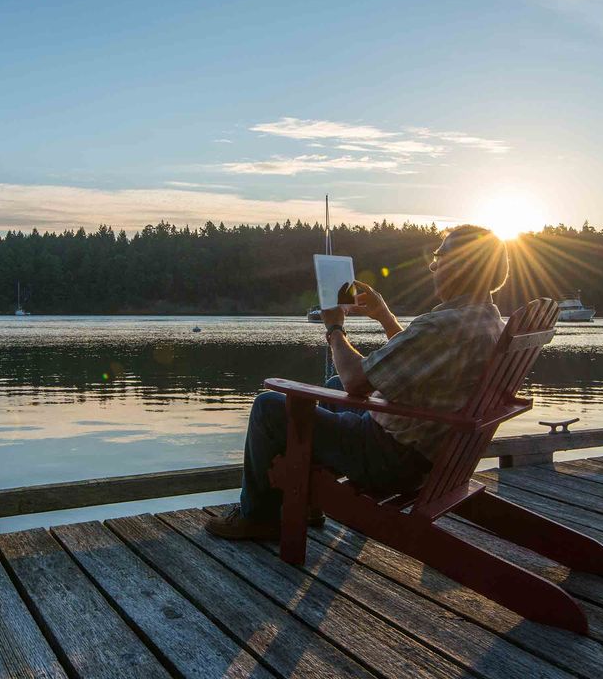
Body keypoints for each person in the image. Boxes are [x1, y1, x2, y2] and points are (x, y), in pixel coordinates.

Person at [206, 224, 511, 540]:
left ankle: (256, 516)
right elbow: (419, 362)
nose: (433, 265)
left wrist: (335, 328)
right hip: (436, 456)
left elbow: (357, 381)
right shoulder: (488, 322)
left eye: (440, 256)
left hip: (392, 460)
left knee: (269, 406)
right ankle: (307, 501)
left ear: (464, 264)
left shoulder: (441, 326)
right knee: (333, 386)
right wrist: (384, 316)